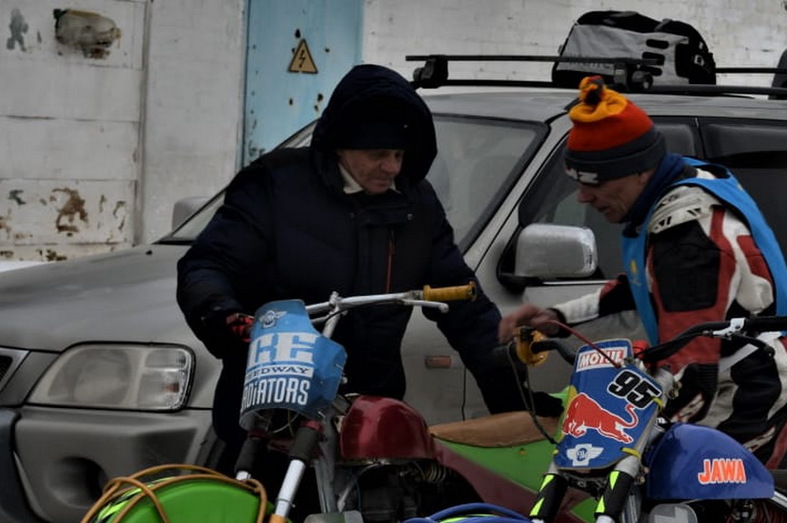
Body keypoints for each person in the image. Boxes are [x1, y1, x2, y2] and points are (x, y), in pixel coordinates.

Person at [177, 63, 540, 466]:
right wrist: (225, 317)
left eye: (400, 154)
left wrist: (516, 408)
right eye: (378, 154)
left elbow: (465, 308)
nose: (392, 168)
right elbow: (209, 265)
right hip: (272, 414)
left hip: (366, 419)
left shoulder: (415, 205)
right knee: (259, 519)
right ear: (339, 146)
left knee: (375, 521)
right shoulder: (275, 186)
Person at [499, 76, 787, 470]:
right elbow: (644, 289)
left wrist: (638, 438)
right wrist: (557, 319)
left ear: (639, 171)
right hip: (735, 377)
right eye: (577, 182)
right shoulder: (672, 188)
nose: (583, 196)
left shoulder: (687, 233)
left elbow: (692, 369)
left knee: (716, 510)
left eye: (595, 182)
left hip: (754, 389)